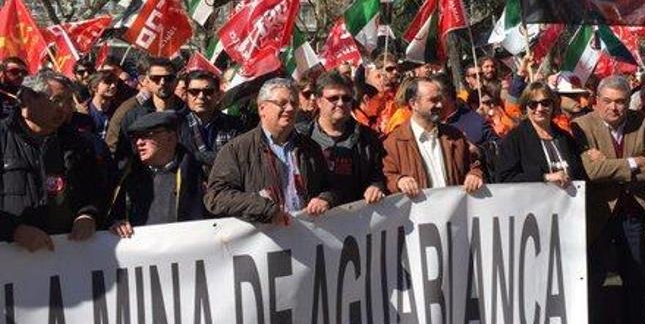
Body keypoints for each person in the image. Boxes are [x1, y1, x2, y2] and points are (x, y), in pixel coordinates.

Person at [571, 75, 645, 324]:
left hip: (633, 212)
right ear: (596, 101)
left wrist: (609, 167)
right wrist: (634, 162)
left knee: (636, 282)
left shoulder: (644, 121)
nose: (614, 108)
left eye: (620, 102)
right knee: (594, 285)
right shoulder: (581, 126)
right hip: (597, 215)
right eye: (607, 101)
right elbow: (590, 172)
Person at [205, 78, 338, 224]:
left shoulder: (310, 148)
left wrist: (326, 198)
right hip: (266, 241)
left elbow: (330, 186)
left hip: (304, 239)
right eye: (282, 103)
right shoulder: (237, 150)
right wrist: (264, 208)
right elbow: (216, 196)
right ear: (262, 108)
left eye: (294, 103)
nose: (289, 109)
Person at [0, 70, 104, 250]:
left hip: (63, 257)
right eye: (56, 100)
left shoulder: (78, 144)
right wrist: (14, 230)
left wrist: (87, 215)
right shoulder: (3, 138)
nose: (63, 109)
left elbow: (95, 190)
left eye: (67, 102)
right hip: (11, 261)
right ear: (26, 99)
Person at [108, 112, 208, 237]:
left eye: (147, 135)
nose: (139, 142)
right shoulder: (125, 176)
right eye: (135, 137)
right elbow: (111, 216)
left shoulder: (199, 173)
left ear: (171, 138)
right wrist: (117, 224)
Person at [382, 77, 484, 197]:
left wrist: (475, 174)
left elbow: (474, 164)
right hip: (419, 213)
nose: (440, 105)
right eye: (433, 100)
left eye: (440, 99)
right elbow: (386, 176)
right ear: (414, 103)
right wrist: (399, 181)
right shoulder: (394, 142)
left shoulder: (455, 135)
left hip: (455, 211)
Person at [296, 71, 386, 205]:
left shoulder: (368, 138)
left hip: (359, 219)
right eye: (333, 98)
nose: (340, 103)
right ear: (319, 101)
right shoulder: (300, 138)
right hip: (315, 219)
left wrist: (376, 186)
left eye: (346, 98)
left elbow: (380, 174)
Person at [496, 81, 584, 185]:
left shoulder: (565, 138)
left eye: (545, 103)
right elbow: (505, 177)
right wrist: (544, 177)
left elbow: (580, 174)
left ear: (553, 105)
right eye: (533, 104)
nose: (540, 108)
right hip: (533, 199)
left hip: (568, 199)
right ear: (525, 107)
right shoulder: (514, 138)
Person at [116, 56, 184, 162]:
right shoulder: (134, 116)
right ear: (147, 81)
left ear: (176, 81)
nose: (162, 82)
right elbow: (123, 156)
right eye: (156, 78)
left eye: (168, 78)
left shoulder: (188, 115)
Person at [178, 70, 243, 171]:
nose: (201, 97)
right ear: (186, 95)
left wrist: (196, 156)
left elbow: (238, 159)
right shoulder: (176, 125)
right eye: (194, 92)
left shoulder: (234, 125)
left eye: (208, 92)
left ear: (218, 95)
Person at [81, 70, 120, 140]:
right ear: (94, 87)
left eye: (115, 82)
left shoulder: (119, 108)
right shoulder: (84, 111)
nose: (113, 86)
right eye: (108, 82)